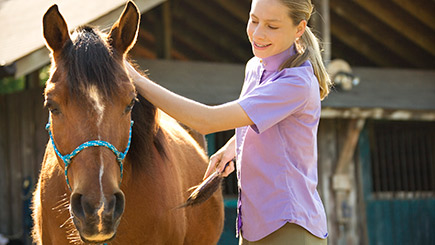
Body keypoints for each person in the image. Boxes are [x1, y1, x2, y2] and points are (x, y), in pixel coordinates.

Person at [127, 0, 331, 243]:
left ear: (299, 29)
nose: (258, 33)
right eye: (254, 20)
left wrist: (136, 80)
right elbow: (265, 121)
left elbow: (207, 120)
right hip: (254, 225)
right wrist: (233, 146)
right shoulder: (255, 67)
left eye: (272, 26)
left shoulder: (296, 83)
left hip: (290, 227)